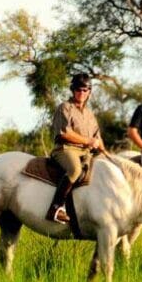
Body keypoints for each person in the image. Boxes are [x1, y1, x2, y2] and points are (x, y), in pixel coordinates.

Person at [45, 73, 103, 223]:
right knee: (75, 170)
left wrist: (107, 154)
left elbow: (97, 139)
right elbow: (65, 133)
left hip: (86, 152)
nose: (81, 93)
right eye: (78, 89)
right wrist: (88, 141)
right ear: (73, 90)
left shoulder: (90, 114)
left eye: (85, 90)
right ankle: (55, 208)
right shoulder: (65, 107)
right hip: (66, 149)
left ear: (89, 92)